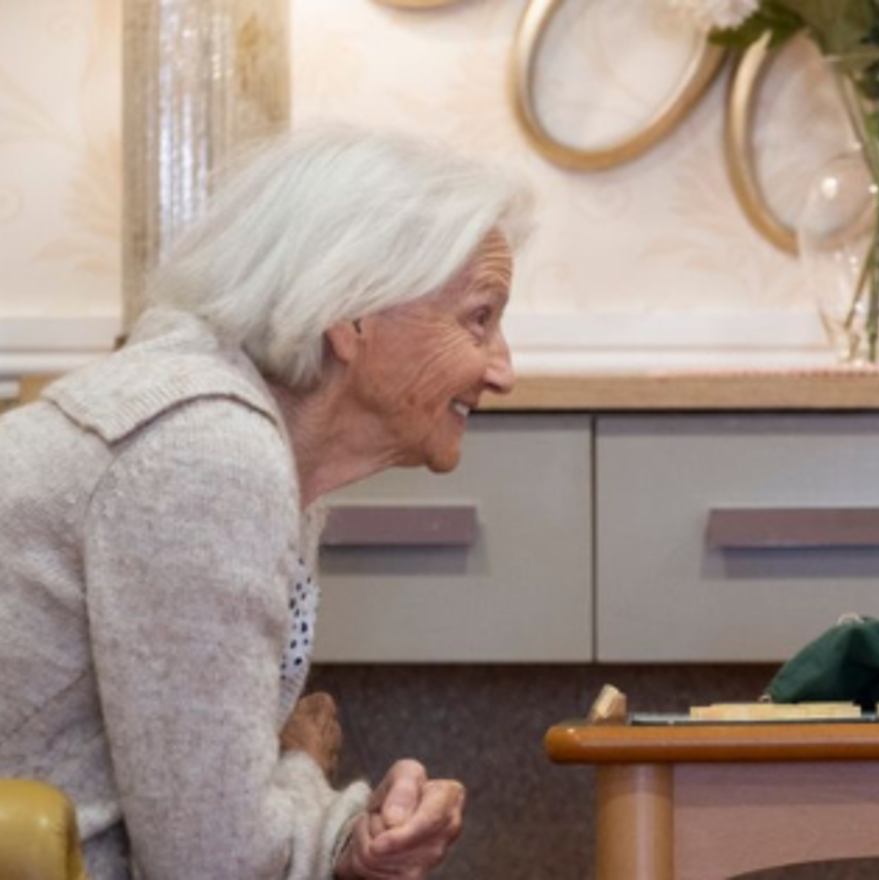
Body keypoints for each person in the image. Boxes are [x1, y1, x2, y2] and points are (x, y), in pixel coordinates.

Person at [0, 127, 530, 879]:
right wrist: (304, 764)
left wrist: (350, 835)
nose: (503, 369)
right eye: (480, 317)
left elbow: (203, 812)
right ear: (352, 314)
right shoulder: (203, 453)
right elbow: (207, 864)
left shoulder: (235, 429)